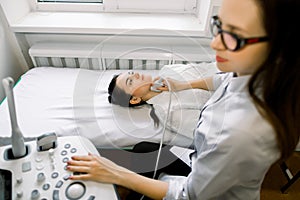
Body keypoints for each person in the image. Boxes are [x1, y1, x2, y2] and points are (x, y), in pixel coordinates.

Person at [67, 0, 300, 199]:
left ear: (277, 49)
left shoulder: (238, 134)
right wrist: (180, 86)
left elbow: (189, 195)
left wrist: (116, 173)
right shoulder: (253, 73)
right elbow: (223, 80)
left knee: (135, 165)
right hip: (198, 161)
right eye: (218, 24)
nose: (215, 43)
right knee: (143, 150)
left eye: (235, 36)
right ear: (135, 100)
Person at [108, 63, 217, 139]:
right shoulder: (169, 112)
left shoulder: (168, 69)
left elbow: (209, 67)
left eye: (131, 72)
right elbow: (213, 131)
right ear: (135, 99)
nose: (136, 74)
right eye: (130, 81)